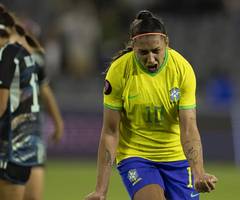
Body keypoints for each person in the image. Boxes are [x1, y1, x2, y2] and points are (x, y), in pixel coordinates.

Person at [85, 10, 217, 200]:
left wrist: (198, 172)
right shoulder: (119, 71)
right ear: (133, 46)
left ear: (166, 44)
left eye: (156, 51)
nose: (151, 59)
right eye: (143, 52)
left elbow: (188, 127)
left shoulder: (182, 69)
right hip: (136, 157)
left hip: (177, 158)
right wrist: (101, 190)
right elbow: (110, 132)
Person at [10, 23, 64, 200]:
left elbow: (45, 91)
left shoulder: (36, 61)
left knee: (33, 196)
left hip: (31, 133)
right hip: (7, 134)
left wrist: (58, 122)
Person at [0, 11, 39, 200]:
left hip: (9, 148)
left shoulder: (7, 54)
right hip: (25, 145)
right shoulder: (24, 54)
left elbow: (1, 105)